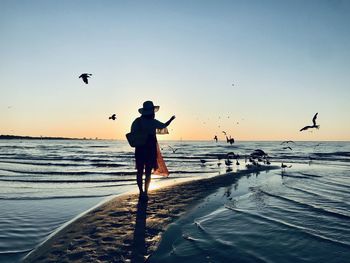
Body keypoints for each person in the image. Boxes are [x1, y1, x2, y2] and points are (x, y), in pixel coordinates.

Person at [131, 100, 175, 200]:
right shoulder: (153, 122)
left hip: (140, 148)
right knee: (147, 172)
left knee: (139, 171)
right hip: (150, 148)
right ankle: (146, 192)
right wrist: (171, 120)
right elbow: (164, 125)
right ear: (152, 112)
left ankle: (141, 192)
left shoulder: (137, 121)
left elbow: (132, 133)